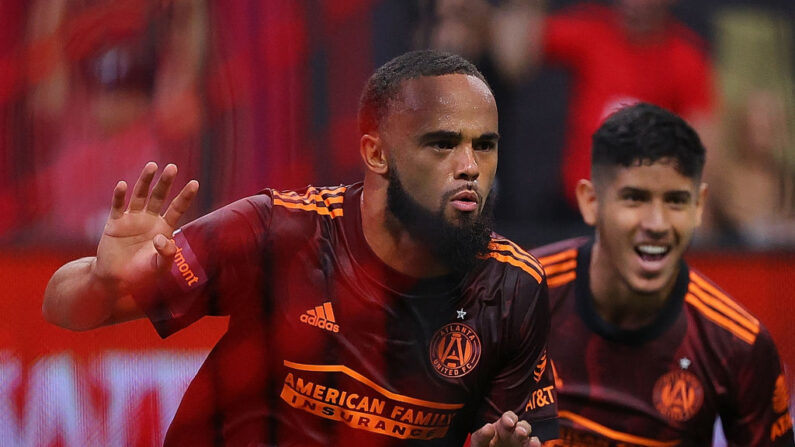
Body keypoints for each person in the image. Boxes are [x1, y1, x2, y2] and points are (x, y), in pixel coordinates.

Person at [42, 50, 559, 446]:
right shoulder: (277, 232)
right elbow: (65, 309)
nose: (470, 166)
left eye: (484, 145)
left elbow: (524, 436)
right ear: (376, 154)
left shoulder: (511, 288)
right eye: (443, 144)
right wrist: (102, 281)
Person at [531, 102, 794, 445]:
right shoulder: (519, 296)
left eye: (675, 201)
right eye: (635, 198)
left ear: (698, 207)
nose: (657, 224)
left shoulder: (738, 346)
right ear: (591, 202)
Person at [487, 0, 717, 212]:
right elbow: (512, 60)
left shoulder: (686, 58)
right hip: (575, 207)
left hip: (643, 209)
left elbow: (702, 152)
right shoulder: (592, 30)